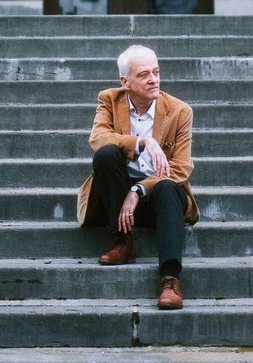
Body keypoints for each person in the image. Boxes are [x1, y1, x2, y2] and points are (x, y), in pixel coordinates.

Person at [77, 44, 199, 310]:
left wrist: (139, 190)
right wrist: (142, 142)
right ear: (125, 81)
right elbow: (97, 140)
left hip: (159, 200)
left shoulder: (180, 111)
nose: (153, 79)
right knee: (106, 155)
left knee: (168, 187)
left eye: (156, 72)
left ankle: (170, 279)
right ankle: (123, 242)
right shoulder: (109, 99)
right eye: (144, 74)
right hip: (116, 202)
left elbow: (181, 169)